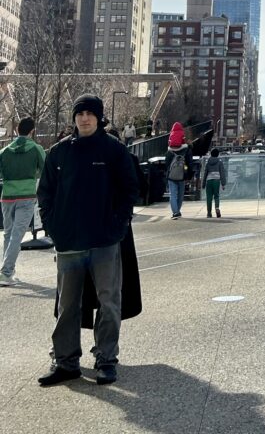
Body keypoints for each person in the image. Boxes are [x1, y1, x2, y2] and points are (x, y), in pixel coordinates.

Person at [36, 94, 139, 386]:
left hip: (105, 241)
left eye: (90, 113)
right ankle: (66, 361)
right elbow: (45, 193)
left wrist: (118, 224)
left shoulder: (113, 151)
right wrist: (54, 227)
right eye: (79, 113)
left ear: (99, 117)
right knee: (67, 305)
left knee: (109, 302)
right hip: (69, 242)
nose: (84, 118)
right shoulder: (58, 153)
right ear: (74, 118)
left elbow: (129, 190)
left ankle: (106, 359)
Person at [0, 117, 46, 287]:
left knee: (8, 234)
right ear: (32, 131)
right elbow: (45, 170)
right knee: (17, 235)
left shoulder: (5, 151)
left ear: (17, 130)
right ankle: (5, 272)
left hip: (7, 195)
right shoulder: (36, 149)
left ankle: (9, 270)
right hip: (26, 195)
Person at [164, 122, 192, 219]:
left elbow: (166, 163)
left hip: (171, 175)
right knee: (180, 194)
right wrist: (189, 174)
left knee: (173, 194)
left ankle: (175, 212)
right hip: (182, 174)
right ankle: (178, 210)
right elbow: (189, 163)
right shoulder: (186, 150)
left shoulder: (169, 151)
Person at [201, 149, 227, 218]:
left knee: (209, 197)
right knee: (216, 196)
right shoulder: (219, 162)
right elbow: (222, 173)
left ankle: (209, 213)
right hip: (216, 181)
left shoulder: (208, 163)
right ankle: (217, 209)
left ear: (211, 154)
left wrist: (203, 184)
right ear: (218, 154)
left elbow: (205, 174)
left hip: (209, 181)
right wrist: (223, 184)